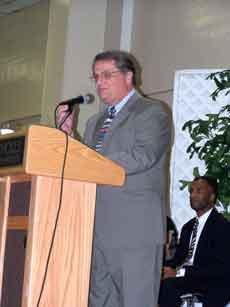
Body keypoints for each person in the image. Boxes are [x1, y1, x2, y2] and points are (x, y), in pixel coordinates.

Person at [57, 50, 170, 307]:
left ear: (129, 76)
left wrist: (92, 162)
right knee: (100, 301)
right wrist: (68, 136)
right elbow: (83, 165)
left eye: (107, 75)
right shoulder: (95, 122)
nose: (99, 83)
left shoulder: (152, 112)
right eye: (96, 76)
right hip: (96, 230)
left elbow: (143, 156)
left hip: (134, 233)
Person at [158, 176, 230, 307]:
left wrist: (179, 272)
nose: (192, 195)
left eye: (198, 191)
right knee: (160, 284)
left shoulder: (222, 226)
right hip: (189, 279)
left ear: (212, 197)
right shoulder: (188, 227)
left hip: (212, 282)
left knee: (168, 287)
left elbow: (220, 267)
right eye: (191, 191)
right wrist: (163, 269)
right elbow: (178, 257)